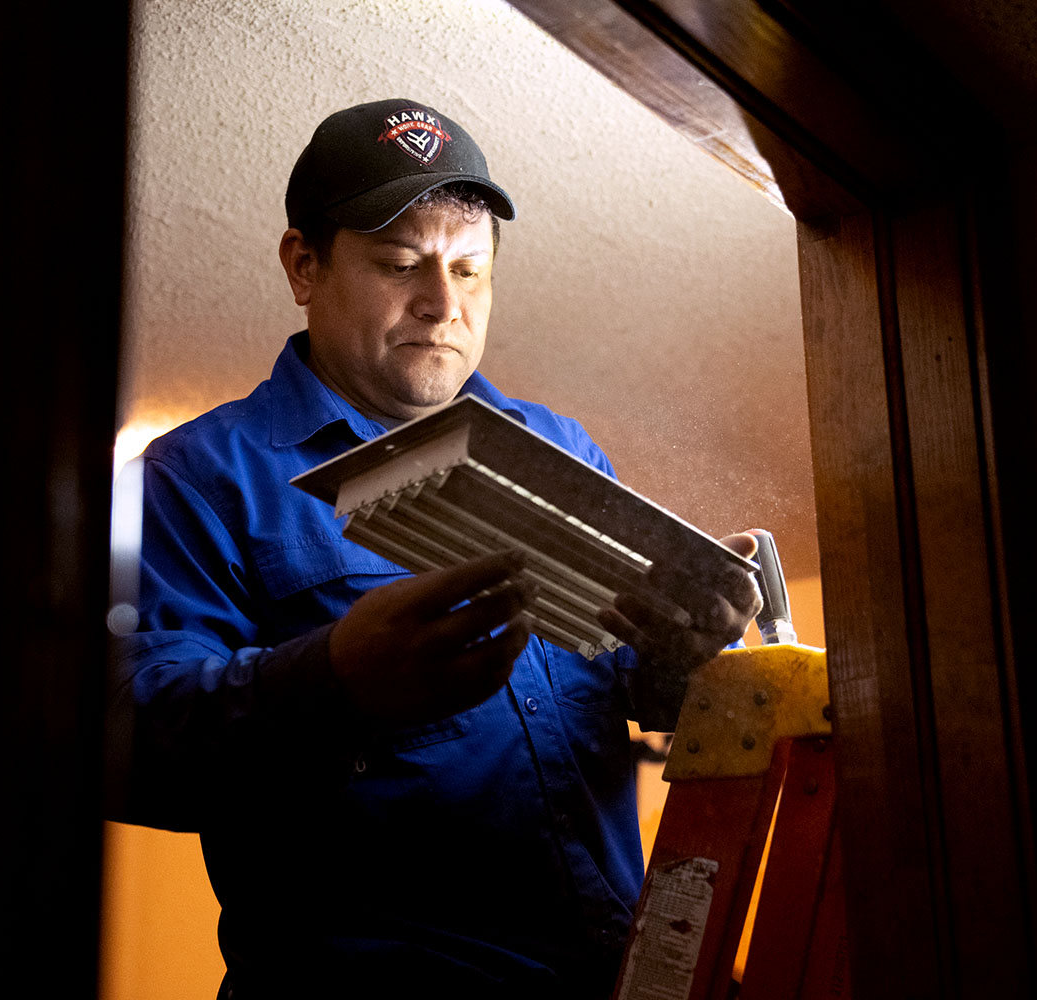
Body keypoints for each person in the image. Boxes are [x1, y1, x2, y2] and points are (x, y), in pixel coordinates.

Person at [110, 98, 761, 1000]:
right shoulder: (190, 479)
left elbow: (626, 697)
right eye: (398, 263)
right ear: (305, 265)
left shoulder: (566, 453)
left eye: (470, 268)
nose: (442, 304)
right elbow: (117, 740)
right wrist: (335, 680)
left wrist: (686, 665)